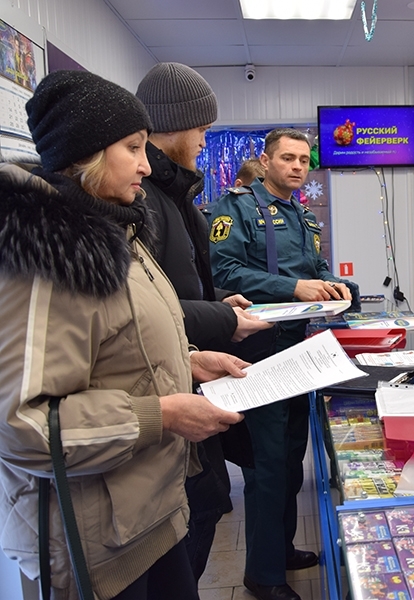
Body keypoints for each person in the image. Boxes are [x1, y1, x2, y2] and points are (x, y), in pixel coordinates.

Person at [0, 70, 248, 600]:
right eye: (133, 147)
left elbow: (119, 344)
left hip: (148, 518)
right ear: (87, 155)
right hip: (96, 548)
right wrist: (163, 415)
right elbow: (21, 424)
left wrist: (190, 359)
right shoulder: (48, 257)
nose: (145, 162)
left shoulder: (117, 230)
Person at [134, 61, 272, 580]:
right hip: (169, 409)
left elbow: (177, 290)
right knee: (192, 523)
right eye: (201, 128)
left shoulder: (176, 196)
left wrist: (220, 304)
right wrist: (220, 316)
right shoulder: (143, 202)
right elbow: (150, 310)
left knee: (207, 509)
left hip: (192, 373)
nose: (204, 140)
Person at [209, 128, 352, 600]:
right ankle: (263, 575)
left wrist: (333, 286)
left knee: (292, 460)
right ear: (266, 161)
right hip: (256, 353)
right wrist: (295, 289)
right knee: (268, 467)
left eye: (303, 160)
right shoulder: (236, 208)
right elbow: (223, 272)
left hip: (300, 353)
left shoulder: (304, 217)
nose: (296, 166)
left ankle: (283, 548)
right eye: (287, 158)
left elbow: (314, 270)